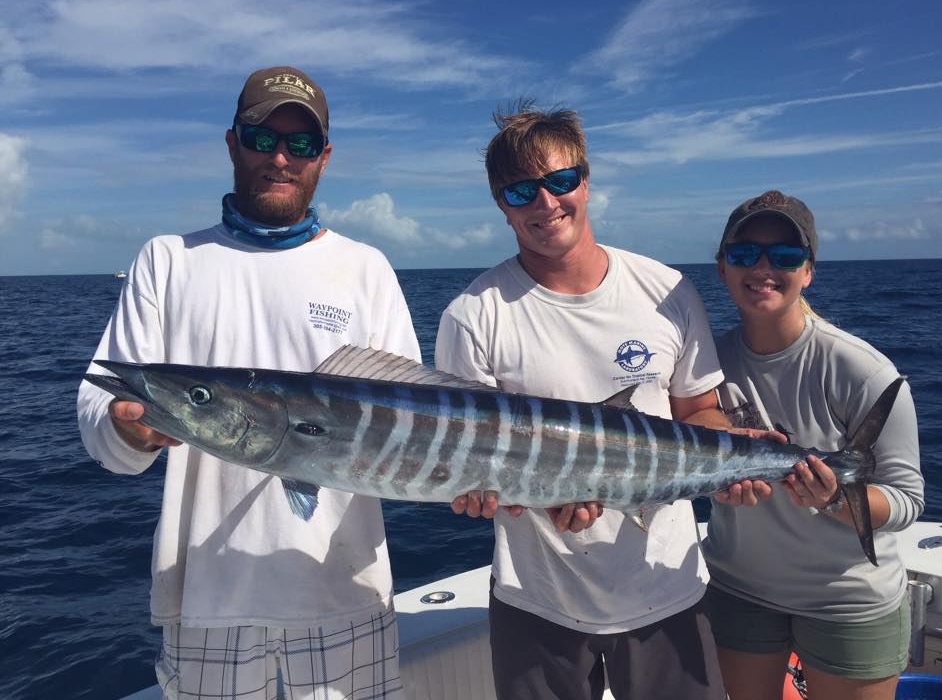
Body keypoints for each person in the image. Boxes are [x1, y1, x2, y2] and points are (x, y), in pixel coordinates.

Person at [77, 66, 418, 700]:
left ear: (324, 157)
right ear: (232, 142)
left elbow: (413, 430)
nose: (281, 158)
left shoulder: (365, 269)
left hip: (345, 595)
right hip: (208, 602)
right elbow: (102, 423)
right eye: (262, 139)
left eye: (301, 144)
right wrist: (133, 430)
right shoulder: (167, 260)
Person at [433, 103, 731, 700]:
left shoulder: (666, 290)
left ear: (586, 181)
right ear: (501, 203)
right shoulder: (472, 315)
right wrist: (516, 499)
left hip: (666, 586)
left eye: (560, 181)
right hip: (536, 599)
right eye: (521, 191)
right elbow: (469, 460)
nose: (545, 204)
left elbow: (700, 412)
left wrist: (733, 463)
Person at [702, 190, 924, 700]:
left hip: (848, 601)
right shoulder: (703, 366)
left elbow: (906, 501)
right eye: (743, 254)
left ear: (808, 272)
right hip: (740, 591)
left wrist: (832, 499)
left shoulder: (861, 371)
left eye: (784, 256)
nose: (762, 267)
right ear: (721, 269)